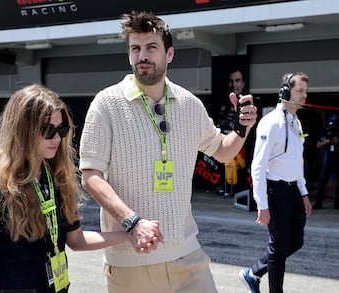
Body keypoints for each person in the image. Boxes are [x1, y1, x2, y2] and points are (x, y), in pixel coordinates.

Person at [79, 11, 257, 293]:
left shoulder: (189, 104)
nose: (142, 56)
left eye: (151, 47)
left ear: (169, 54)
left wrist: (242, 128)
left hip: (187, 253)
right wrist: (132, 222)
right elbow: (90, 175)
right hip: (131, 260)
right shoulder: (106, 104)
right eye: (135, 49)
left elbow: (223, 152)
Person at [0, 84, 130, 293]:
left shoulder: (55, 179)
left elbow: (77, 239)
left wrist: (129, 234)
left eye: (61, 129)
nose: (57, 138)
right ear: (22, 131)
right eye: (47, 130)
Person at [239, 72, 312, 293]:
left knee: (296, 242)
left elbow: (296, 162)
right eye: (300, 91)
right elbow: (258, 166)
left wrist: (304, 193)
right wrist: (262, 205)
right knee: (279, 250)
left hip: (293, 191)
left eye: (305, 91)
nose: (304, 95)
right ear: (285, 92)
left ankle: (252, 273)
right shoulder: (270, 123)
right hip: (275, 191)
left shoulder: (296, 123)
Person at [312, 113, 339, 209]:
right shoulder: (325, 131)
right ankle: (318, 203)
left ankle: (337, 204)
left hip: (337, 160)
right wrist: (328, 141)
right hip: (327, 159)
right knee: (322, 181)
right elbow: (318, 144)